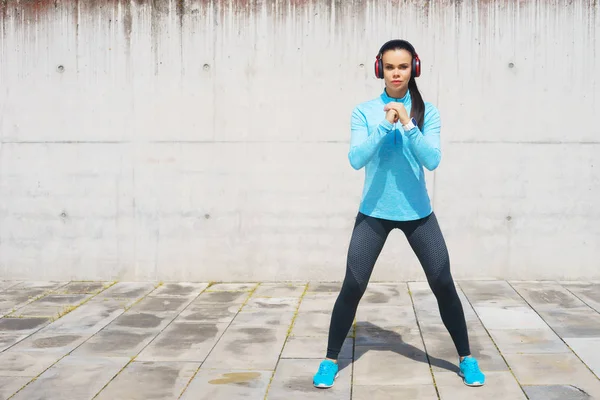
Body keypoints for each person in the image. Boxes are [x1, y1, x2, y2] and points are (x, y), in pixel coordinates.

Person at [312, 39, 486, 389]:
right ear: (380, 69)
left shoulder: (427, 112)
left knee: (442, 282)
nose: (396, 73)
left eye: (403, 67)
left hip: (417, 213)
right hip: (374, 213)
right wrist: (385, 124)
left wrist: (407, 124)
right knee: (353, 285)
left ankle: (466, 358)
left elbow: (432, 160)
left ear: (414, 68)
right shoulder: (363, 111)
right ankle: (330, 359)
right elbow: (356, 159)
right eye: (390, 67)